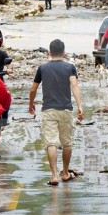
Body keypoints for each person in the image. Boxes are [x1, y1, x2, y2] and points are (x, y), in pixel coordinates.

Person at [29, 39, 83, 186]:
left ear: (50, 52)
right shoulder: (70, 67)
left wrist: (31, 104)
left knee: (51, 142)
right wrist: (80, 106)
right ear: (63, 53)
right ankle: (65, 173)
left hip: (48, 110)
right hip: (66, 109)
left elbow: (33, 89)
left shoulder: (43, 68)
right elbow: (74, 86)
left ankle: (54, 176)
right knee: (67, 143)